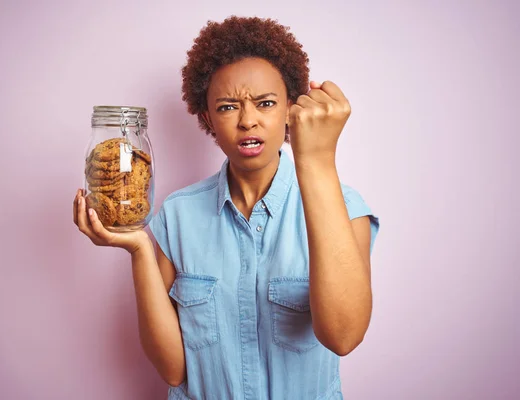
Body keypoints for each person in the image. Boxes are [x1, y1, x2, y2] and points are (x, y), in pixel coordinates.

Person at [74, 15, 380, 400]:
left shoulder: (347, 209)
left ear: (289, 110)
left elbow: (344, 336)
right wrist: (138, 248)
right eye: (227, 107)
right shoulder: (177, 216)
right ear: (207, 119)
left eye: (266, 103)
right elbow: (173, 370)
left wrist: (316, 160)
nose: (248, 120)